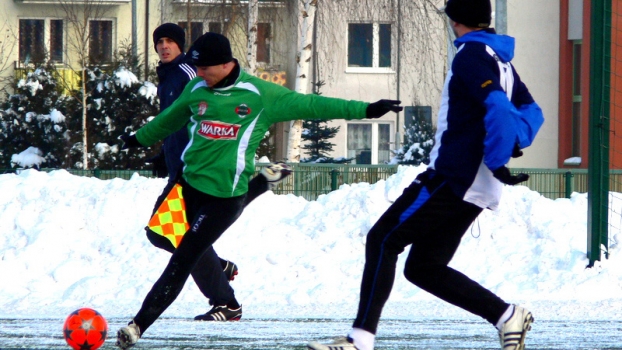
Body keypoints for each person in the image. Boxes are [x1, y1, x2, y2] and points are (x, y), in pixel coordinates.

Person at [307, 0, 544, 349]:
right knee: (424, 267)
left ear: (454, 20)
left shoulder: (471, 55)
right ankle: (506, 316)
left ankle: (360, 340)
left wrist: (497, 158)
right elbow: (531, 111)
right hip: (478, 185)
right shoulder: (501, 61)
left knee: (383, 239)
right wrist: (510, 144)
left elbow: (497, 107)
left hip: (454, 177)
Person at [143, 23, 289, 325]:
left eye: (170, 41)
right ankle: (218, 271)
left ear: (182, 46)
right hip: (181, 168)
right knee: (169, 235)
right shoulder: (169, 76)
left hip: (193, 172)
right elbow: (177, 121)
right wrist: (163, 154)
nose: (164, 46)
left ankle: (225, 302)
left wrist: (186, 160)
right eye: (160, 42)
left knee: (171, 235)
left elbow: (199, 119)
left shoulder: (187, 75)